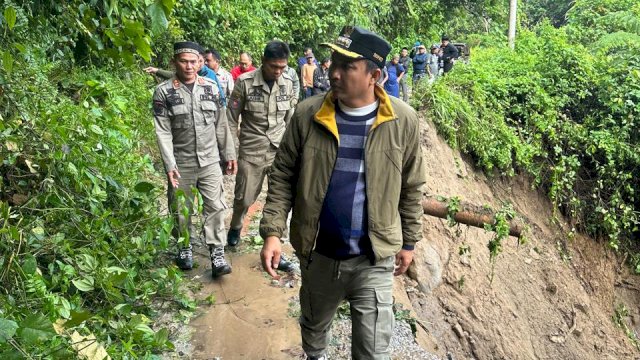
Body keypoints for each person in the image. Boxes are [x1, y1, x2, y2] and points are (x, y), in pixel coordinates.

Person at [259, 26, 426, 360]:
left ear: (374, 75)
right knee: (314, 329)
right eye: (334, 60)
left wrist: (409, 242)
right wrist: (272, 232)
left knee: (372, 350)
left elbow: (411, 187)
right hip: (319, 254)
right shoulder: (308, 114)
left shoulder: (402, 120)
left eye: (347, 65)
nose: (333, 71)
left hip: (372, 260)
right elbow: (283, 175)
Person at [152, 41, 237, 278]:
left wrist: (229, 153)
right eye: (183, 61)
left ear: (200, 62)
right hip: (181, 162)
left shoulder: (210, 86)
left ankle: (217, 252)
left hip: (210, 160)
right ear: (174, 63)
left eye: (193, 61)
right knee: (181, 208)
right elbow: (163, 131)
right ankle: (185, 247)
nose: (189, 66)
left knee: (216, 206)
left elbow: (222, 124)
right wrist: (170, 165)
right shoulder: (164, 92)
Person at [226, 41, 297, 272]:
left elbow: (291, 118)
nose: (278, 72)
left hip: (279, 151)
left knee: (281, 199)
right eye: (274, 66)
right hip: (252, 150)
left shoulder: (288, 82)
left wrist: (295, 150)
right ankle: (236, 226)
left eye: (282, 67)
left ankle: (277, 247)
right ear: (263, 62)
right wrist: (230, 151)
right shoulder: (244, 83)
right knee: (245, 198)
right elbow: (230, 118)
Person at [144, 46, 226, 105]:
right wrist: (156, 71)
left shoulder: (209, 76)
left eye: (196, 61)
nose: (189, 66)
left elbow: (220, 100)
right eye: (184, 62)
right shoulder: (162, 90)